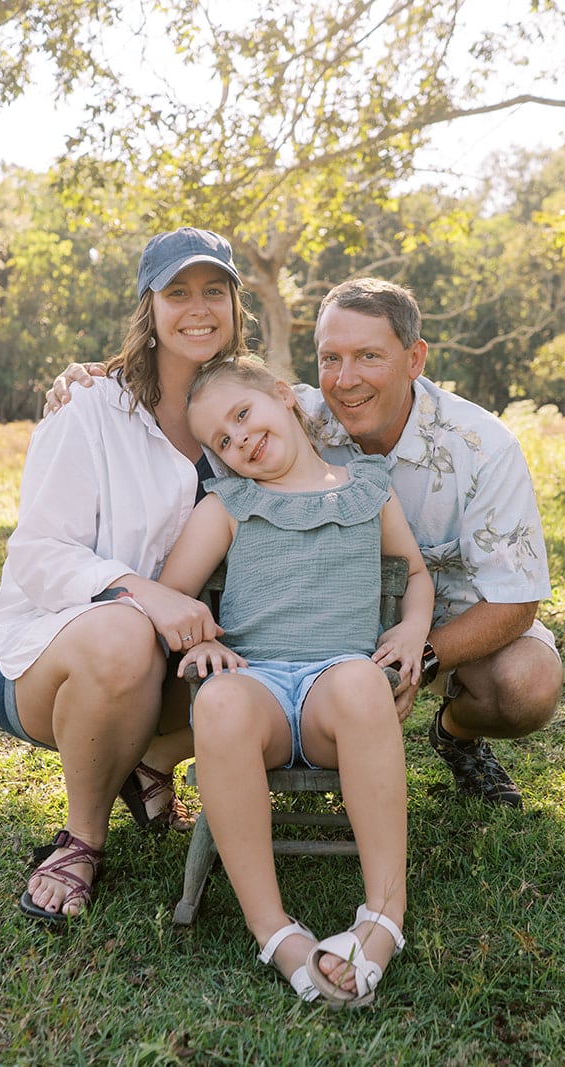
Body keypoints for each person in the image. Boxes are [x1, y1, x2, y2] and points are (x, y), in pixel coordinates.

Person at [46, 278, 562, 807]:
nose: (345, 380)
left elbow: (516, 602)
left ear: (414, 359)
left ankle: (455, 732)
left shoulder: (483, 448)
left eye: (368, 356)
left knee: (527, 683)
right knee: (237, 669)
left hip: (445, 621)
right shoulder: (291, 416)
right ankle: (170, 751)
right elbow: (214, 388)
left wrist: (421, 654)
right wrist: (101, 378)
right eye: (329, 358)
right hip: (313, 626)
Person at [0, 227, 251, 925]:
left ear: (235, 306)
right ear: (148, 308)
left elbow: (333, 405)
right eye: (177, 292)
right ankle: (82, 837)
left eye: (213, 291)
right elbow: (38, 554)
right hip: (51, 655)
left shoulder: (251, 410)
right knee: (126, 633)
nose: (198, 307)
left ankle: (149, 758)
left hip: (177, 657)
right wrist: (145, 592)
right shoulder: (90, 409)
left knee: (267, 655)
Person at [156, 356, 433, 1007]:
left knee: (364, 680)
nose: (240, 439)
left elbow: (415, 572)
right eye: (221, 441)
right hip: (262, 698)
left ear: (283, 397)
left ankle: (383, 915)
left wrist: (416, 629)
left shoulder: (368, 484)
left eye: (244, 414)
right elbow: (172, 594)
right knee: (219, 702)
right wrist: (201, 640)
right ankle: (274, 928)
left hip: (337, 696)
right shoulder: (229, 502)